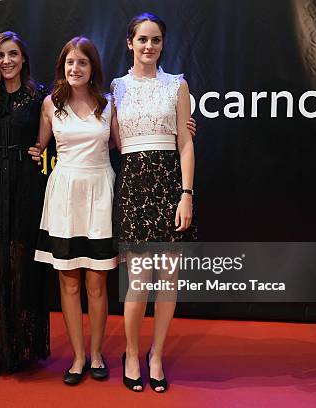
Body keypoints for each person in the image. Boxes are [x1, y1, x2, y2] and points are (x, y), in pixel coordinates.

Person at [111, 12, 196, 393]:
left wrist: (186, 195)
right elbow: (112, 141)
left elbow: (186, 143)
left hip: (169, 188)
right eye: (142, 39)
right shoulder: (115, 88)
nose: (149, 46)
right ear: (130, 43)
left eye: (156, 40)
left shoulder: (177, 85)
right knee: (139, 281)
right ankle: (132, 353)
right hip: (133, 186)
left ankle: (156, 354)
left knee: (168, 281)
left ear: (163, 44)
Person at [29, 36, 115, 385]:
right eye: (69, 63)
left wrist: (180, 131)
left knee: (97, 284)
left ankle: (96, 355)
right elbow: (37, 145)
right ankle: (78, 358)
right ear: (62, 68)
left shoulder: (110, 104)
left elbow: (126, 144)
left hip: (100, 195)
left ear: (92, 67)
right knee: (68, 283)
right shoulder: (51, 104)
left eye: (82, 62)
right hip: (63, 195)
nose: (75, 68)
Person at [0, 31, 50, 380]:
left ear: (23, 59)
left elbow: (79, 116)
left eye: (13, 54)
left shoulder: (40, 96)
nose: (7, 61)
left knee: (22, 264)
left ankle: (25, 346)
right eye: (1, 55)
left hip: (25, 187)